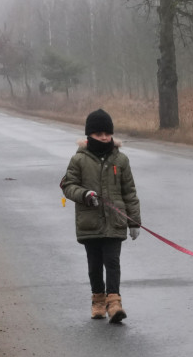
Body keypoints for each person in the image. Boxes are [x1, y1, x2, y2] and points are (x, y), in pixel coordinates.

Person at [59, 109, 141, 323]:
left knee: (112, 262)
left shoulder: (121, 160)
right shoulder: (78, 160)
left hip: (115, 221)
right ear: (89, 136)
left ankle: (114, 303)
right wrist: (85, 195)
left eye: (107, 133)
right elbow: (68, 186)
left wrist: (134, 222)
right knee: (94, 264)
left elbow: (129, 192)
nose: (104, 137)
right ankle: (98, 300)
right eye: (98, 134)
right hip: (90, 222)